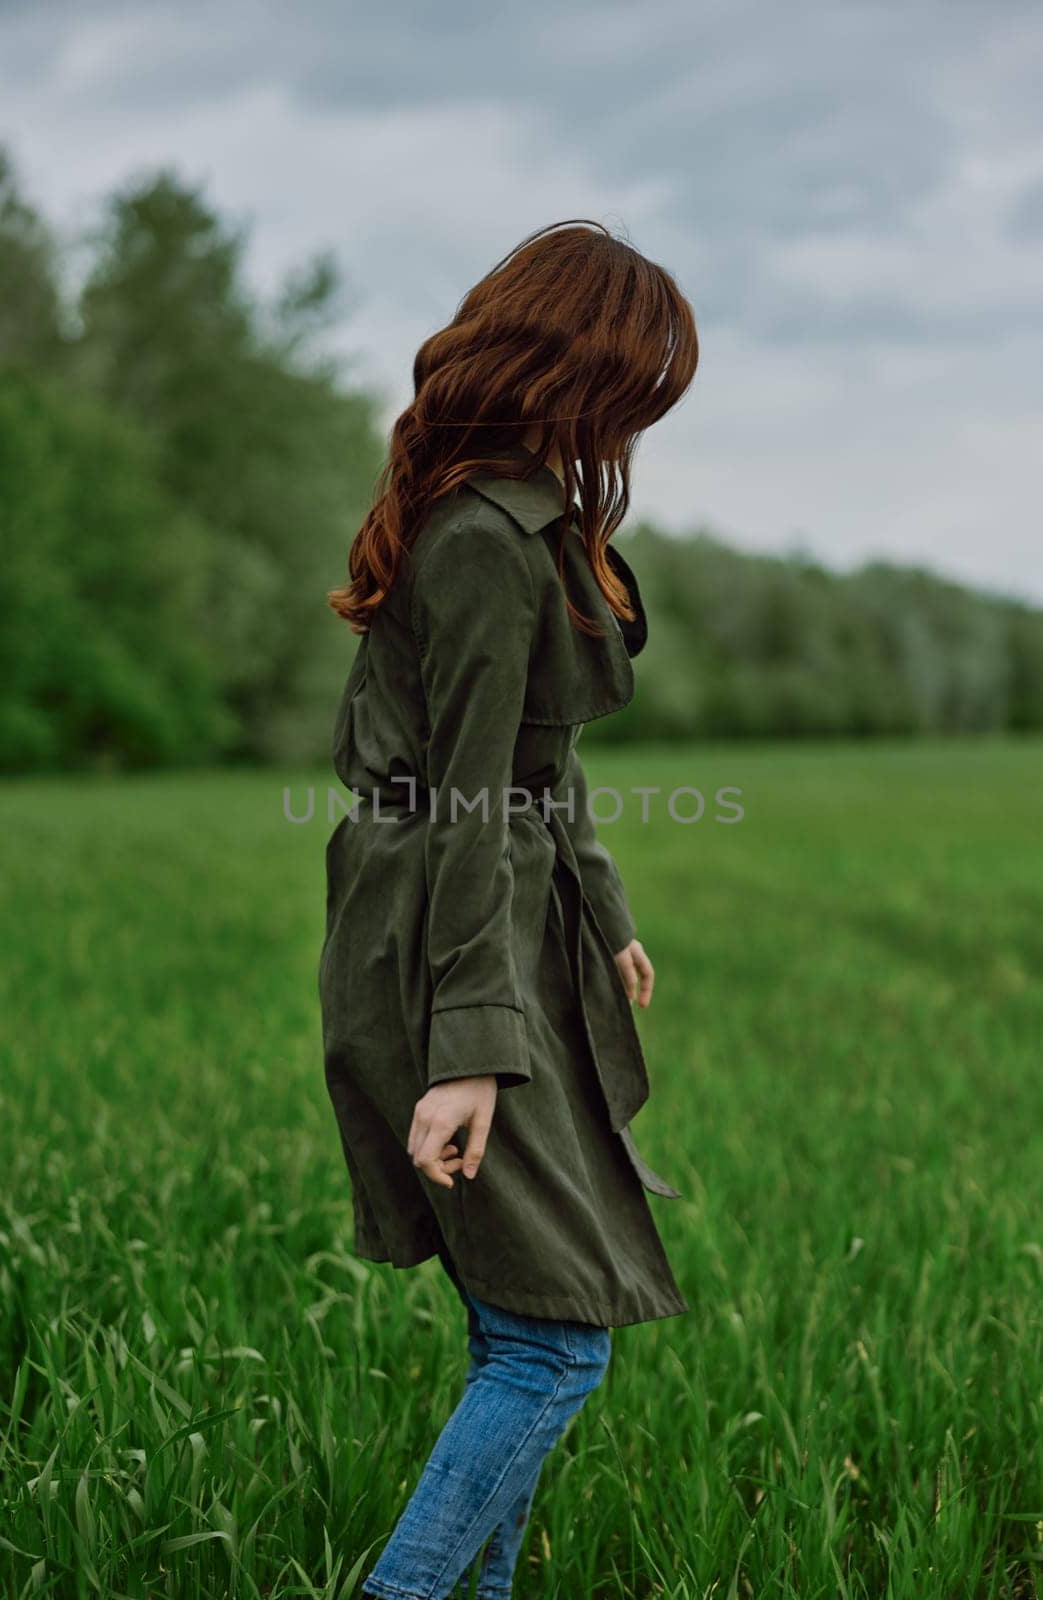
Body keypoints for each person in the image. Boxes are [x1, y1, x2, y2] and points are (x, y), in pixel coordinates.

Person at [318, 218, 699, 1599]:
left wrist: (605, 915)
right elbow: (471, 798)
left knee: (520, 1332)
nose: (636, 423)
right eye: (631, 391)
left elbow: (544, 764)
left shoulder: (521, 523)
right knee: (555, 1348)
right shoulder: (484, 538)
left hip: (484, 918)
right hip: (446, 934)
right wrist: (468, 1048)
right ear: (563, 369)